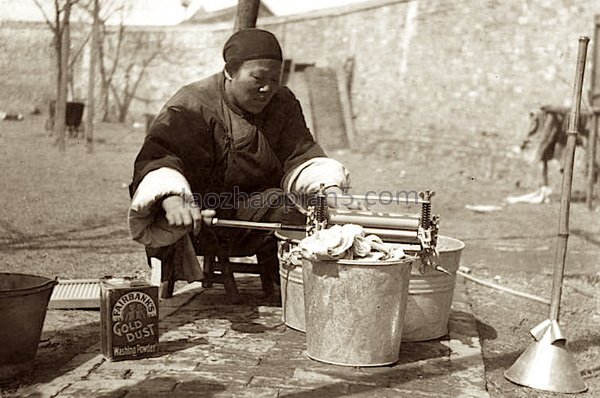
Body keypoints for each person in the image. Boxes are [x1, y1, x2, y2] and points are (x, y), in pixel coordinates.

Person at [127, 28, 350, 289]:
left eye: (275, 79)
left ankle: (306, 284)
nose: (266, 88)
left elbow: (300, 154)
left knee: (311, 209)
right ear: (230, 72)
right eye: (257, 78)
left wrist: (328, 187)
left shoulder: (283, 103)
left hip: (261, 212)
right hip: (201, 219)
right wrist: (173, 198)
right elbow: (160, 157)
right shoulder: (191, 105)